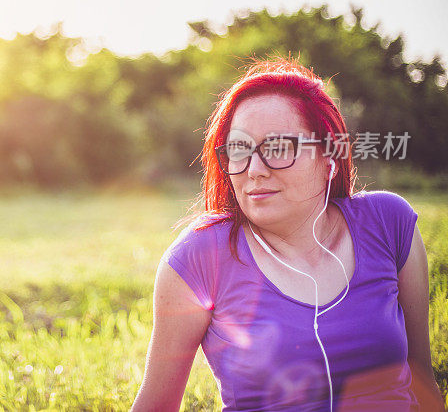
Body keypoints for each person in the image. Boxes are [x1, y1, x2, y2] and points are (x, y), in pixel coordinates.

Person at [132, 58, 445, 411]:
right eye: (239, 150)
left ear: (329, 157)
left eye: (278, 148)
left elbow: (422, 378)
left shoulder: (389, 223)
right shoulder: (198, 257)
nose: (254, 170)